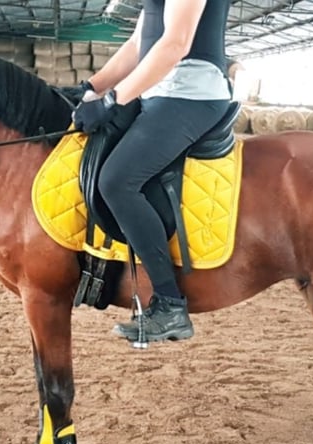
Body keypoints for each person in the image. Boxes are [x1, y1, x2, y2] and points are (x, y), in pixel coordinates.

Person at [72, 0, 232, 342]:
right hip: (158, 92)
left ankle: (170, 305)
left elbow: (176, 43)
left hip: (190, 94)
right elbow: (136, 44)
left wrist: (113, 100)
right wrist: (91, 87)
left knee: (117, 181)